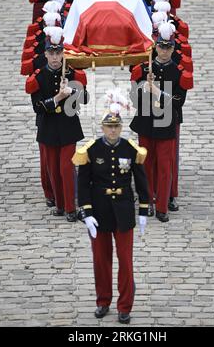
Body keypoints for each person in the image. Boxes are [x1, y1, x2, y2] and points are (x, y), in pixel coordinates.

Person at [73, 90, 150, 324]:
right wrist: (86, 213)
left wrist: (144, 210)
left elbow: (141, 181)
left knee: (125, 262)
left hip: (124, 212)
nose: (113, 131)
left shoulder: (130, 148)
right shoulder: (91, 150)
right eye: (109, 127)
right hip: (99, 213)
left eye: (116, 126)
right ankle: (103, 301)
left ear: (121, 127)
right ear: (103, 128)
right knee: (101, 261)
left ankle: (125, 306)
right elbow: (83, 184)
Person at [129, 24, 192, 222]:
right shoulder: (143, 69)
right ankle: (146, 203)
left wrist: (157, 92)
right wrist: (144, 88)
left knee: (165, 167)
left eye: (168, 47)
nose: (164, 51)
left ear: (173, 49)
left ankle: (162, 206)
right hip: (146, 122)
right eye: (161, 47)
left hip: (166, 125)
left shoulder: (179, 72)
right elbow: (134, 99)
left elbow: (178, 102)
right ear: (155, 47)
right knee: (146, 165)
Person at [25, 28, 89, 222]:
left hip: (68, 127)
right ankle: (60, 206)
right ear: (45, 54)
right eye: (51, 53)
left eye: (58, 53)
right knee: (53, 169)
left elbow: (85, 98)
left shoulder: (72, 73)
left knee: (66, 169)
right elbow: (38, 107)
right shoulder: (38, 77)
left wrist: (72, 91)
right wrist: (58, 97)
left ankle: (71, 208)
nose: (55, 58)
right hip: (49, 129)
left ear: (63, 53)